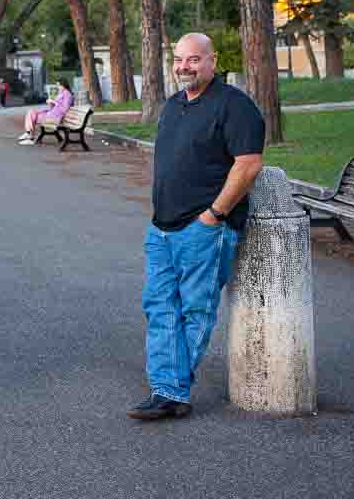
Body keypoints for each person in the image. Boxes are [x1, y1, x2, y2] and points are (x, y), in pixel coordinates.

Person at [128, 33, 264, 421]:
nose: (184, 67)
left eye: (193, 60)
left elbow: (248, 164)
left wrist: (214, 215)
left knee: (194, 309)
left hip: (205, 229)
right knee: (159, 306)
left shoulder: (235, 106)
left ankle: (169, 390)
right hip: (162, 228)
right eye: (178, 60)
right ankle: (169, 390)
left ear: (212, 61)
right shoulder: (174, 105)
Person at [18, 79, 73, 145]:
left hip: (54, 117)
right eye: (57, 85)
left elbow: (64, 109)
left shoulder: (68, 95)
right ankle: (29, 134)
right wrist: (51, 103)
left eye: (59, 85)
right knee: (31, 112)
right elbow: (56, 105)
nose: (58, 87)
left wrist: (53, 102)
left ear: (64, 85)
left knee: (31, 115)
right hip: (51, 114)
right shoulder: (62, 93)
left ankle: (30, 136)